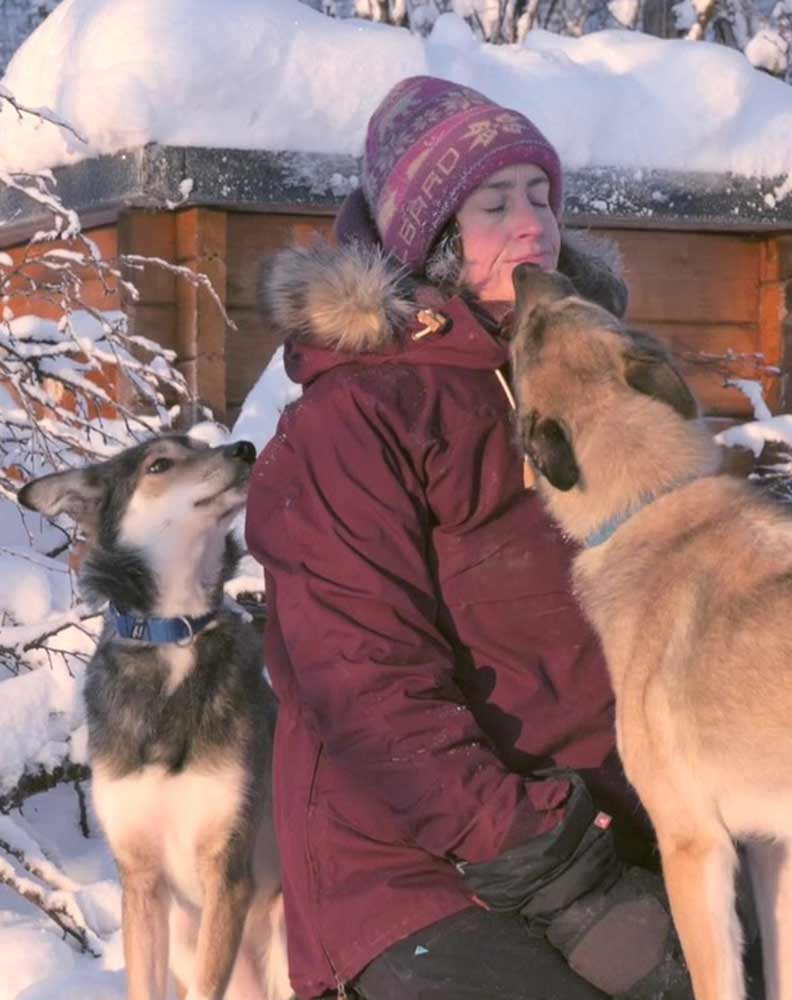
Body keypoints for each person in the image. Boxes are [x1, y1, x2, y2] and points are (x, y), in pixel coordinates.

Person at [245, 76, 720, 1000]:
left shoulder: (592, 379)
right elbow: (366, 687)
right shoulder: (357, 416)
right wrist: (557, 872)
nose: (534, 225)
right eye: (495, 204)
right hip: (416, 870)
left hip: (618, 824)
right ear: (431, 239)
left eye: (542, 196)